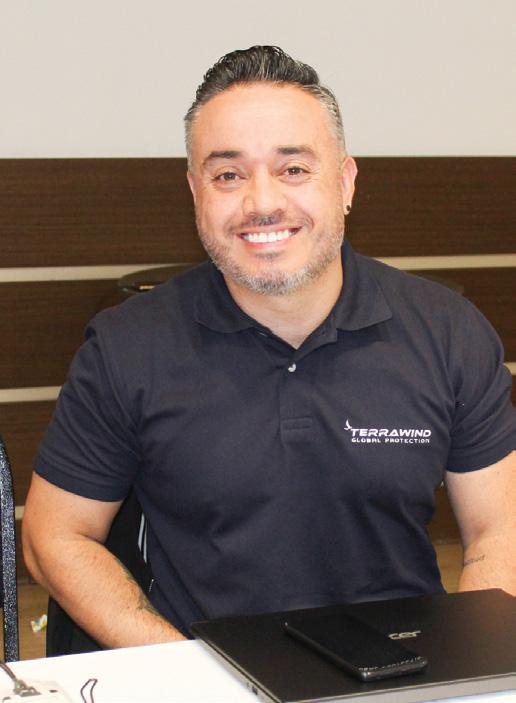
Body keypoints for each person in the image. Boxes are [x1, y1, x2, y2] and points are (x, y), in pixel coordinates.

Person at [23, 46, 515, 650]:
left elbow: (499, 529)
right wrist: (182, 671)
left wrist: (468, 665)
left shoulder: (449, 332)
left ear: (345, 182)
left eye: (294, 169)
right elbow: (55, 536)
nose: (261, 203)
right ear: (195, 192)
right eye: (228, 175)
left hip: (399, 667)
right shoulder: (127, 345)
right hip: (197, 669)